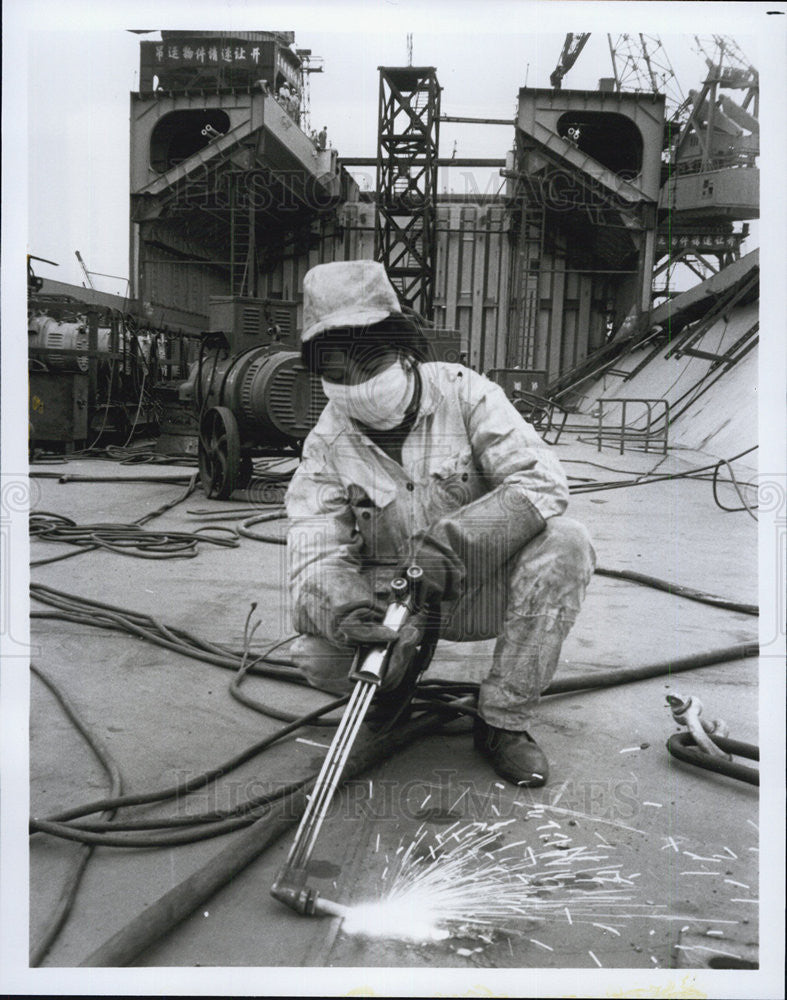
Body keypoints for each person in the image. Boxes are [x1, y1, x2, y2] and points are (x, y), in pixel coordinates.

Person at [285, 260, 595, 787]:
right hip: (391, 607)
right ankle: (388, 691)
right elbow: (311, 547)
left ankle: (503, 721)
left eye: (369, 364)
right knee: (315, 652)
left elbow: (542, 481)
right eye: (337, 374)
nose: (356, 386)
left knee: (567, 542)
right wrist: (347, 607)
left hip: (480, 590)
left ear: (404, 352)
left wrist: (457, 544)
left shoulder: (467, 394)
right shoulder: (325, 444)